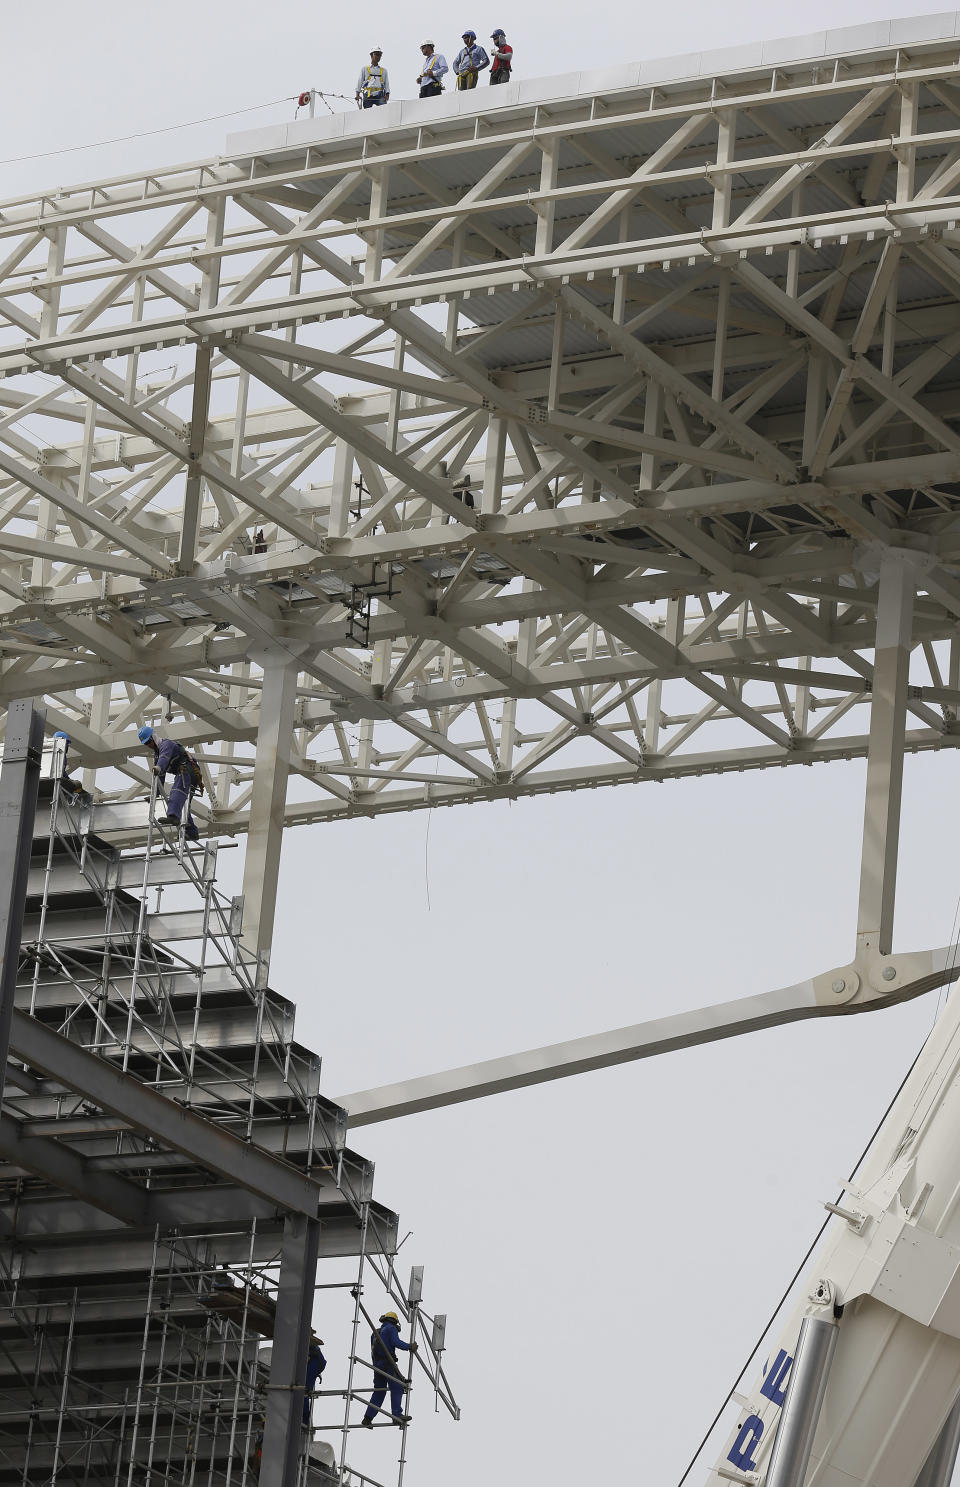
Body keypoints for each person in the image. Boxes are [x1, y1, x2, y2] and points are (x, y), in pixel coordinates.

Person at [138, 725, 201, 841]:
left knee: (177, 791)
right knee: (183, 804)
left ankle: (173, 816)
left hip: (187, 770)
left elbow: (164, 758)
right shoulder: (157, 754)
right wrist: (155, 794)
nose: (149, 745)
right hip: (186, 773)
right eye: (146, 744)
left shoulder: (166, 745)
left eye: (149, 742)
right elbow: (160, 777)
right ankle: (192, 832)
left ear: (153, 737)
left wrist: (158, 767)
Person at [360, 1311, 417, 1428]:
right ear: (394, 1321)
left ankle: (367, 1418)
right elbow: (396, 1342)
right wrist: (409, 1347)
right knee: (397, 1386)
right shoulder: (391, 1329)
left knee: (379, 1391)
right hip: (387, 1364)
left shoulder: (375, 1332)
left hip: (377, 1365)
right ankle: (396, 1415)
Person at [303, 1334, 327, 1426]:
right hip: (315, 1362)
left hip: (315, 1362)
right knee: (304, 1390)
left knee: (304, 1390)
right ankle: (305, 1419)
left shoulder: (301, 1336)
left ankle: (305, 1419)